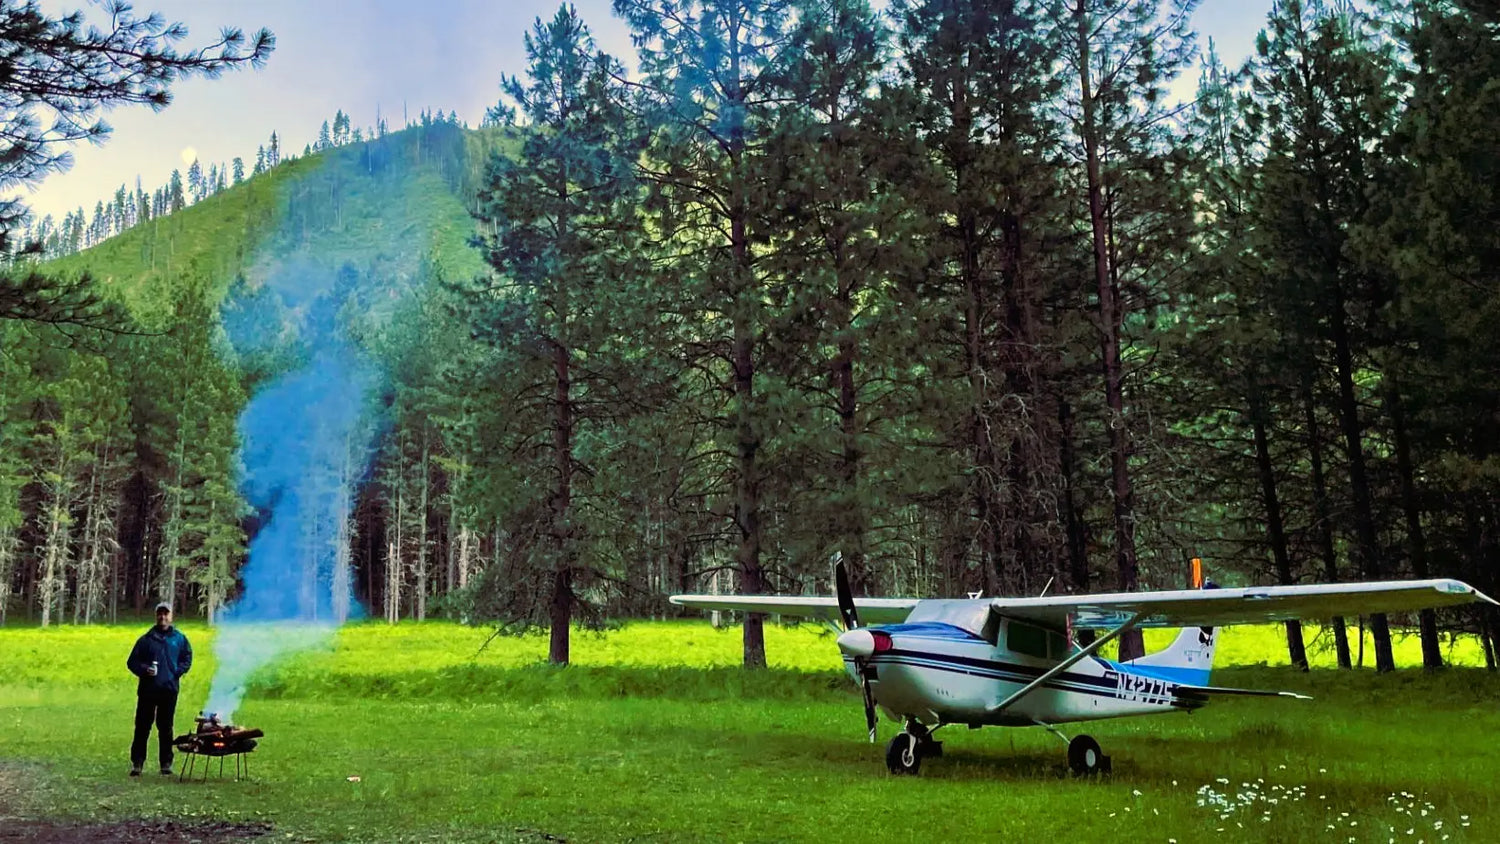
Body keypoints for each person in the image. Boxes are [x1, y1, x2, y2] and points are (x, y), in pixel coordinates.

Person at [126, 602, 193, 776]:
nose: (163, 617)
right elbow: (131, 662)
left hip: (169, 690)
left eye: (166, 614)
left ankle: (166, 764)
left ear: (171, 616)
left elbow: (187, 657)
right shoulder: (146, 639)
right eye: (160, 614)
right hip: (148, 690)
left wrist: (176, 672)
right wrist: (144, 670)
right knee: (142, 727)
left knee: (166, 728)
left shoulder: (179, 639)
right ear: (156, 616)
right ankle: (138, 763)